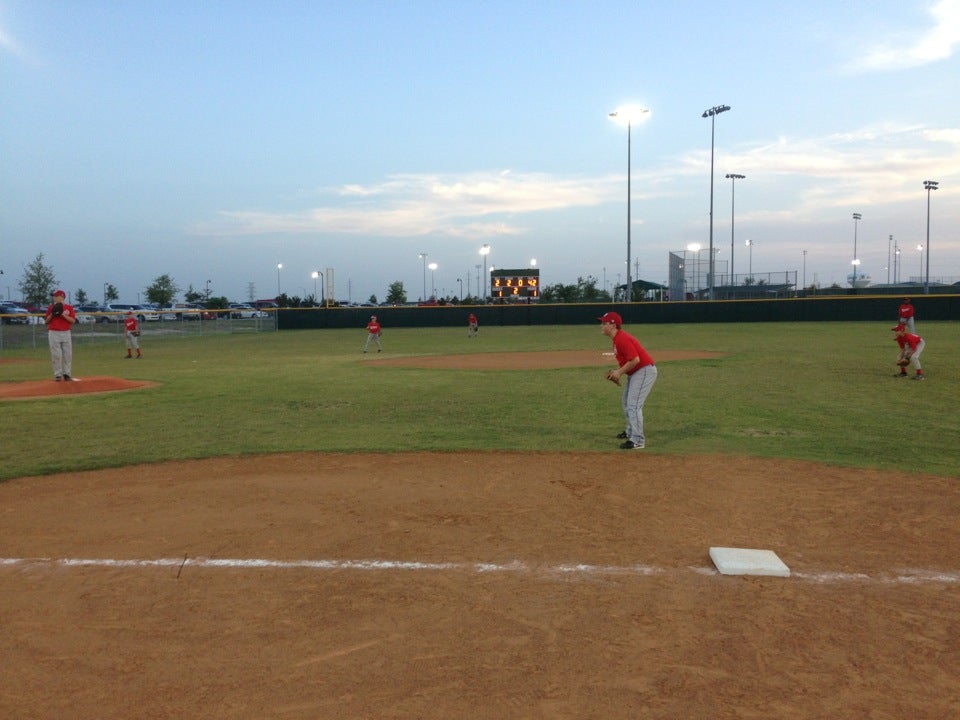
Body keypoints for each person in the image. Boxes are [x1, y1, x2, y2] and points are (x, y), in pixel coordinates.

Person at [599, 311, 658, 449]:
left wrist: (619, 372)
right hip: (637, 372)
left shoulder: (621, 339)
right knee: (626, 401)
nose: (601, 325)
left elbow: (635, 360)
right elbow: (628, 362)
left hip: (644, 371)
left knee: (634, 405)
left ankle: (637, 440)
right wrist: (616, 373)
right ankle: (630, 432)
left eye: (603, 323)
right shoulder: (617, 339)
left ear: (612, 325)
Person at [44, 289, 77, 381]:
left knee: (68, 354)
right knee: (56, 354)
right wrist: (52, 314)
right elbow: (46, 321)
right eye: (53, 296)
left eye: (55, 296)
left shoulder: (69, 307)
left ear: (61, 296)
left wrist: (63, 315)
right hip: (54, 332)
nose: (54, 297)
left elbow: (73, 320)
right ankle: (57, 374)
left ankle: (67, 374)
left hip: (66, 332)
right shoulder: (51, 307)